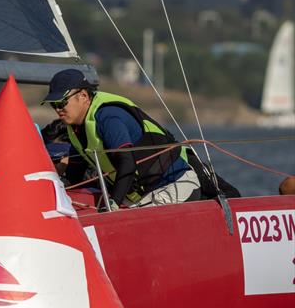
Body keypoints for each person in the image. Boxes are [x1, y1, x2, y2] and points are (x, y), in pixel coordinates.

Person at [41, 69, 203, 209]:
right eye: (53, 105)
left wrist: (114, 203)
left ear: (83, 95)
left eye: (62, 102)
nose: (58, 110)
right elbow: (75, 175)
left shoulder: (109, 117)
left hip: (174, 185)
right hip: (142, 195)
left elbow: (127, 162)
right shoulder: (75, 129)